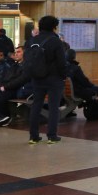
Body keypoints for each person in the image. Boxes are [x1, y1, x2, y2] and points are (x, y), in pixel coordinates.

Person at [25, 15, 68, 144]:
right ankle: (52, 135)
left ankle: (33, 136)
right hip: (54, 79)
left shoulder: (31, 41)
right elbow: (61, 62)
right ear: (54, 27)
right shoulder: (55, 41)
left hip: (37, 78)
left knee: (36, 105)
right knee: (53, 106)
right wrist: (63, 75)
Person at [65, 49, 98, 120]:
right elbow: (84, 82)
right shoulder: (75, 68)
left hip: (69, 92)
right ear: (74, 57)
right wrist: (92, 85)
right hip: (80, 91)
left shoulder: (62, 67)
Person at [0, 46, 26, 127]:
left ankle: (5, 116)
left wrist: (5, 87)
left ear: (25, 53)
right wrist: (2, 85)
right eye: (15, 52)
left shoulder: (26, 66)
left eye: (18, 52)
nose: (16, 54)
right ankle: (0, 117)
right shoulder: (14, 65)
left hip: (16, 89)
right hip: (5, 87)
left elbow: (19, 81)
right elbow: (6, 77)